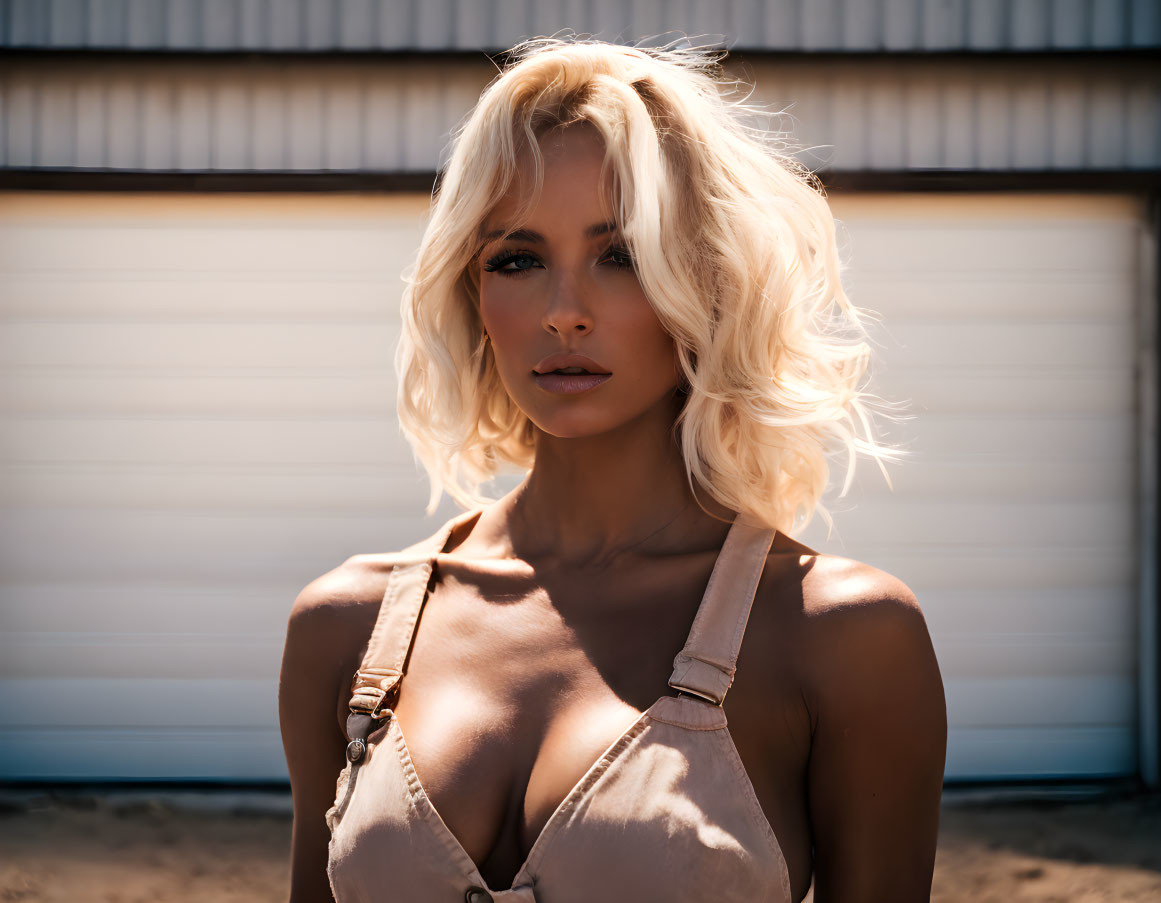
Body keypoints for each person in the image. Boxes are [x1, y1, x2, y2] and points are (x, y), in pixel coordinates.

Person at [279, 35, 947, 903]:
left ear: (707, 284)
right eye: (517, 259)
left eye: (621, 254)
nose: (563, 314)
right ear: (473, 297)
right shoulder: (348, 627)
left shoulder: (843, 636)